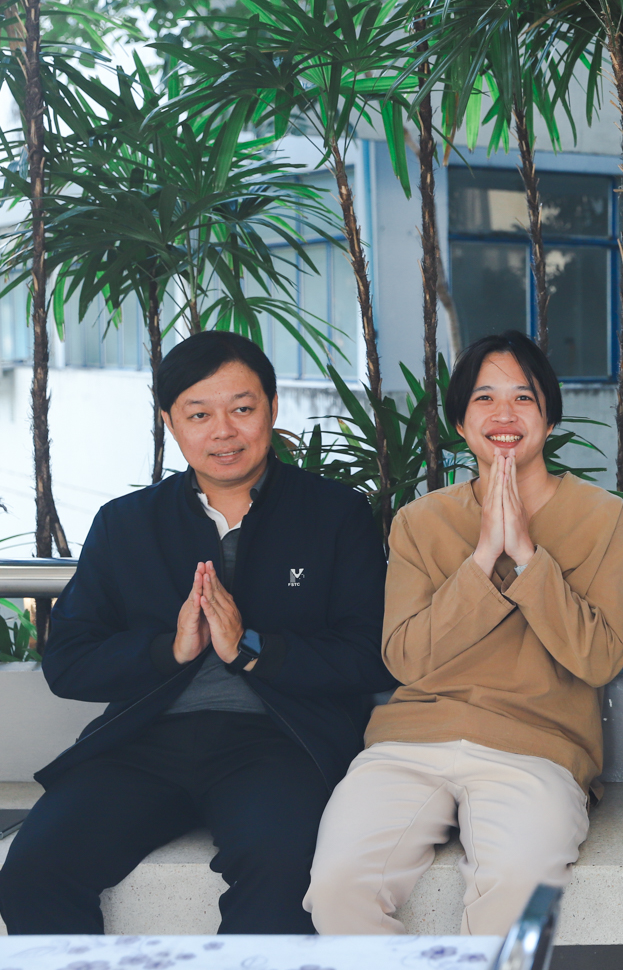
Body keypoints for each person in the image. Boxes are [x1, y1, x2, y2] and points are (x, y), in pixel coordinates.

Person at [0, 331, 392, 935]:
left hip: (279, 744)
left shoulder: (335, 514)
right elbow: (70, 662)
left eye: (242, 408)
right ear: (169, 422)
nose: (224, 432)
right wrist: (171, 650)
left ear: (272, 408)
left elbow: (370, 655)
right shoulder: (127, 524)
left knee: (282, 870)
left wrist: (253, 650)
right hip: (143, 742)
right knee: (33, 872)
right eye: (199, 414)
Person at [303, 331, 623, 935]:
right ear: (460, 423)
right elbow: (404, 658)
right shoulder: (420, 521)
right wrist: (483, 558)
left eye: (523, 398)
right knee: (336, 890)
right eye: (485, 398)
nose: (504, 414)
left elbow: (600, 659)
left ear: (550, 418)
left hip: (537, 748)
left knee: (516, 900)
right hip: (410, 743)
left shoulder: (605, 518)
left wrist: (528, 558)